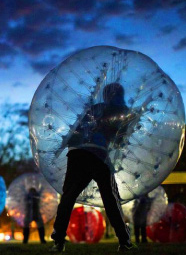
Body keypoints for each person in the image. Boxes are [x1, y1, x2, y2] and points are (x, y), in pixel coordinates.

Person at [50, 83, 137, 252]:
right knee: (111, 198)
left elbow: (75, 132)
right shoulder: (121, 112)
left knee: (68, 196)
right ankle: (124, 240)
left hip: (77, 154)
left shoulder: (92, 109)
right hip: (98, 156)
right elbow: (119, 141)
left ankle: (58, 239)